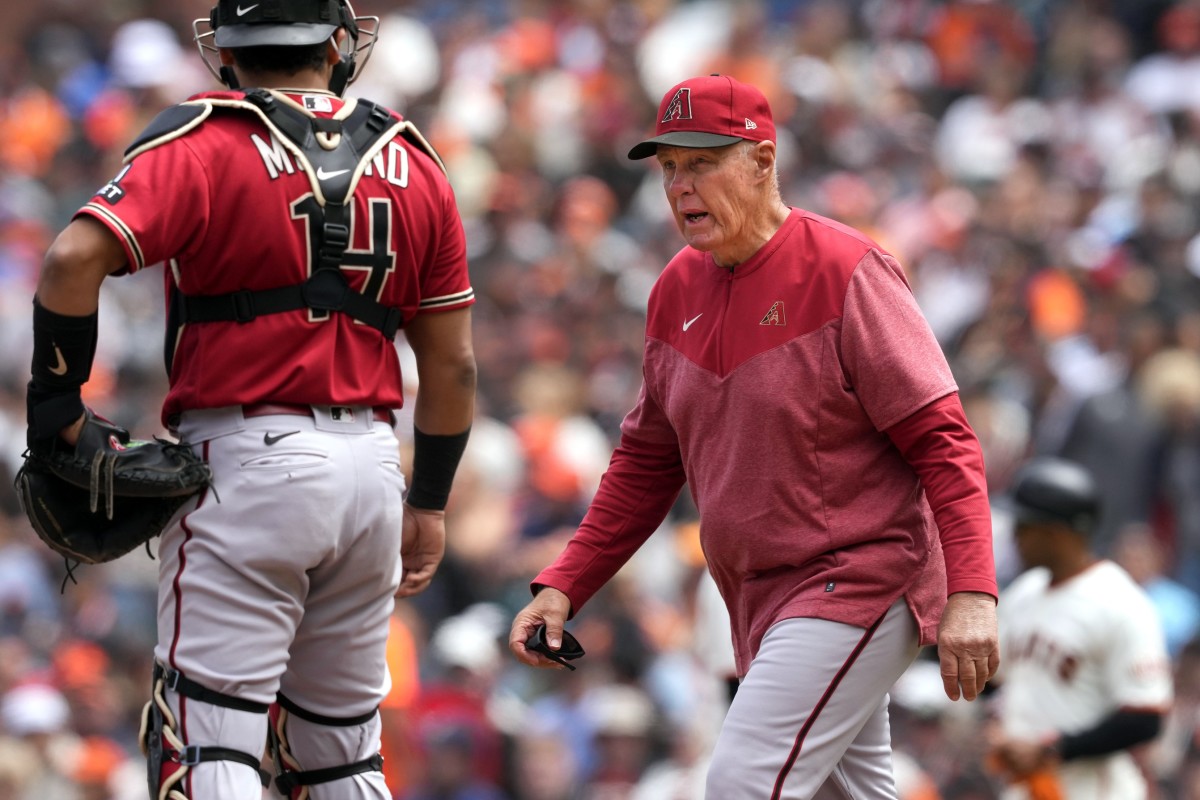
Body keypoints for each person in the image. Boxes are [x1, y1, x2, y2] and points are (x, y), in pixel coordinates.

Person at [24, 1, 475, 798]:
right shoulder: (415, 158)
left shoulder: (205, 137)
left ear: (227, 52)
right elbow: (454, 367)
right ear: (337, 43)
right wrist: (430, 503)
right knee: (342, 755)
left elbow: (69, 260)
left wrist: (55, 411)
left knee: (207, 742)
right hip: (373, 471)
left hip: (248, 461)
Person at [508, 73, 999, 799]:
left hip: (858, 575)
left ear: (763, 161)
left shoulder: (845, 269)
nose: (680, 186)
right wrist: (564, 583)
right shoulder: (676, 288)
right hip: (760, 595)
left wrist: (974, 591)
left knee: (743, 783)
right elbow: (646, 462)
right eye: (669, 167)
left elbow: (944, 441)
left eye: (702, 162)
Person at [989, 457, 1172, 800]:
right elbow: (994, 683)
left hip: (1093, 790)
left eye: (1024, 526)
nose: (1014, 536)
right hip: (1026, 788)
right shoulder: (1024, 592)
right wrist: (998, 725)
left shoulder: (1122, 602)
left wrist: (1052, 749)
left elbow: (1145, 718)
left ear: (1057, 533)